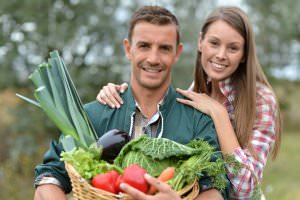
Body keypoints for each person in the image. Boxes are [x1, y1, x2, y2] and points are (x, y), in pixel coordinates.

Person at [34, 5, 230, 200]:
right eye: (144, 46)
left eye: (164, 48)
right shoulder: (91, 117)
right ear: (128, 49)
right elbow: (48, 179)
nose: (153, 58)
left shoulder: (197, 121)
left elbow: (215, 190)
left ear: (177, 53)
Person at [96, 6, 282, 199]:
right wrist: (115, 91)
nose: (221, 55)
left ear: (244, 54)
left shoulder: (261, 101)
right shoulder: (196, 91)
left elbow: (247, 190)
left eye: (233, 48)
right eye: (214, 43)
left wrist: (219, 114)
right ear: (201, 42)